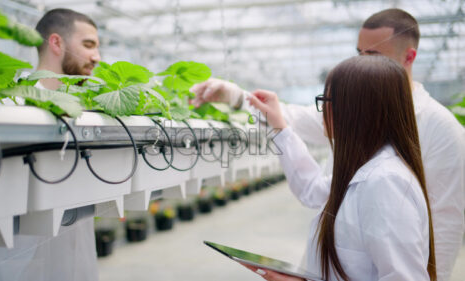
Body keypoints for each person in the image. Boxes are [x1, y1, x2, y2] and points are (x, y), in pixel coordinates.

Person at [191, 8, 465, 281]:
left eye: (373, 55)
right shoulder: (369, 166)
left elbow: (445, 225)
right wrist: (239, 98)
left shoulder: (403, 164)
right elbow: (314, 187)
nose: (323, 113)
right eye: (360, 53)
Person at [247, 55, 436, 281]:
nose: (322, 111)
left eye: (325, 100)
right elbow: (313, 190)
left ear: (353, 110)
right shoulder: (365, 172)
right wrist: (280, 127)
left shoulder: (385, 183)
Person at [0, 8, 101, 281]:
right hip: (13, 269)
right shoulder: (6, 106)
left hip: (79, 265)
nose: (96, 57)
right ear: (56, 43)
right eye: (88, 45)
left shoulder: (91, 113)